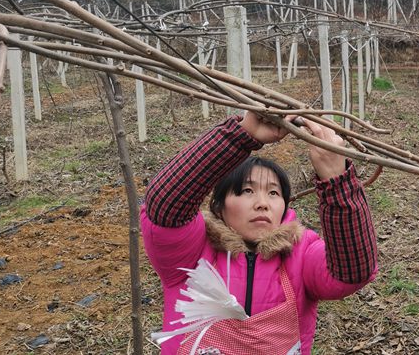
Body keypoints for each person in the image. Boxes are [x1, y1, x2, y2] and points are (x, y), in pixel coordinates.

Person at [141, 112, 378, 354]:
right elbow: (164, 206)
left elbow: (353, 272)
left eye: (274, 193)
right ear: (219, 206)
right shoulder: (193, 250)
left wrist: (337, 182)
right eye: (246, 190)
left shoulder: (300, 252)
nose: (262, 203)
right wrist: (241, 136)